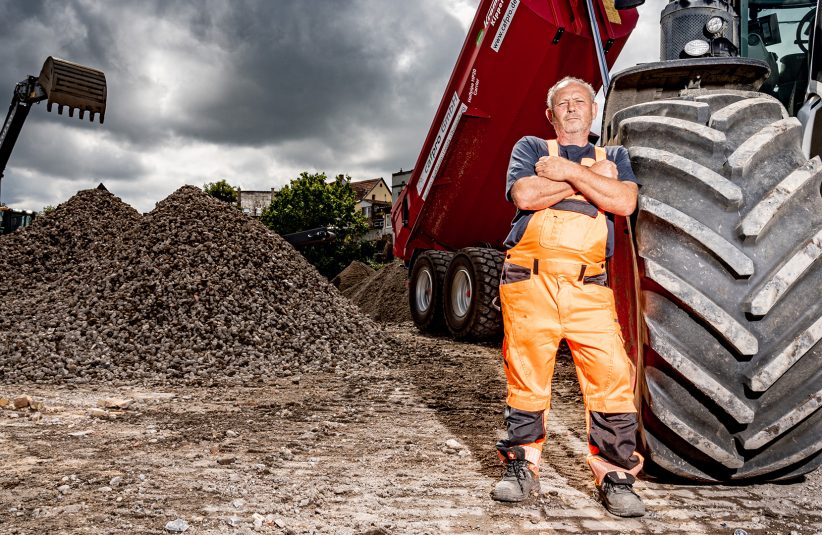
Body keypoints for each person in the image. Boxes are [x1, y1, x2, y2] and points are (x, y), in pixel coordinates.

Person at [491, 76, 645, 517]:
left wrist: (569, 174)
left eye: (580, 101)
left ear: (594, 111)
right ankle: (521, 466)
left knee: (611, 375)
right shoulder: (532, 148)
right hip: (528, 280)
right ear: (550, 114)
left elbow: (624, 203)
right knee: (527, 375)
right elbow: (524, 194)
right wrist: (591, 182)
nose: (572, 108)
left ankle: (616, 473)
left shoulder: (613, 156)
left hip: (588, 285)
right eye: (563, 103)